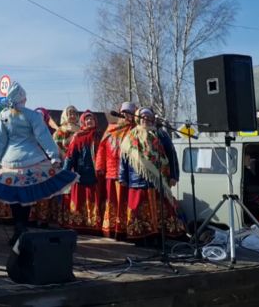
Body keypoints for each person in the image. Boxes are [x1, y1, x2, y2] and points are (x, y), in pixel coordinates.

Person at [0, 82, 78, 246]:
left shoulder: (4, 115)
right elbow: (44, 137)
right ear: (23, 98)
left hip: (9, 162)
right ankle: (21, 229)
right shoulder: (32, 115)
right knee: (27, 195)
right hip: (32, 160)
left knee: (15, 196)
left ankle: (18, 228)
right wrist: (54, 157)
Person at [118, 108, 186, 241]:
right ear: (137, 118)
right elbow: (123, 158)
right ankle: (141, 237)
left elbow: (172, 155)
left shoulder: (161, 134)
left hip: (159, 180)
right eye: (143, 116)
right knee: (139, 211)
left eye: (148, 116)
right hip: (137, 180)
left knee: (163, 208)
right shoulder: (130, 136)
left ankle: (163, 235)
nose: (146, 119)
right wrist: (123, 177)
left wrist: (174, 176)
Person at [95, 101, 136, 238]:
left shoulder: (135, 130)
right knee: (112, 201)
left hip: (130, 174)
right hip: (111, 172)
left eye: (129, 113)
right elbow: (101, 148)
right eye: (124, 112)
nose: (126, 115)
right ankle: (112, 228)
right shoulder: (111, 128)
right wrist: (100, 166)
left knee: (126, 201)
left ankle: (125, 228)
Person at [62, 111, 103, 234]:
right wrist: (65, 173)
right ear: (83, 122)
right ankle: (78, 223)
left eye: (92, 119)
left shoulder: (100, 136)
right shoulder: (78, 137)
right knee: (81, 198)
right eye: (87, 119)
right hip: (81, 173)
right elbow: (70, 156)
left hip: (96, 175)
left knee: (94, 199)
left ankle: (94, 225)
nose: (89, 121)